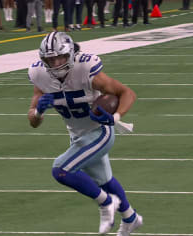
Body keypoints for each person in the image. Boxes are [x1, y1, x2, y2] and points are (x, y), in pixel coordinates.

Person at [27, 32, 143, 235]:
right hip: (77, 135)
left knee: (61, 170)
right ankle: (131, 218)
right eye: (50, 59)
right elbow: (33, 122)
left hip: (100, 131)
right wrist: (38, 112)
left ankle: (106, 203)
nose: (55, 64)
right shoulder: (40, 75)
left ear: (70, 54)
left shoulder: (86, 68)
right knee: (105, 181)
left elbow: (127, 93)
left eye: (59, 57)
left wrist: (115, 117)